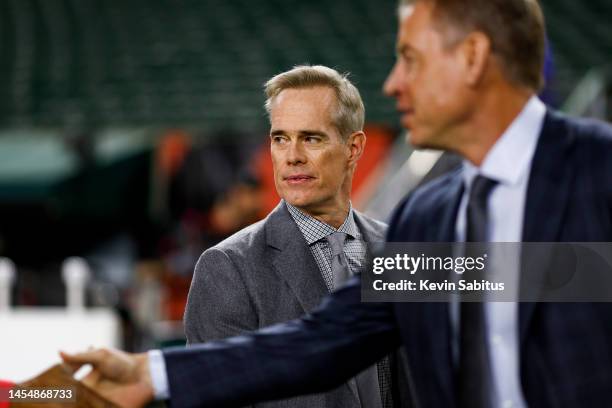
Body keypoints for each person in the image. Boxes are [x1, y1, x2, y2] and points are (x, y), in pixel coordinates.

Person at [61, 0, 612, 407]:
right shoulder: (429, 218)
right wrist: (151, 374)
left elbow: (566, 280)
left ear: (471, 57)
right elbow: (323, 342)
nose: (394, 84)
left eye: (411, 60)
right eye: (280, 138)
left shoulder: (598, 170)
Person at [183, 65, 394, 408]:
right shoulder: (227, 268)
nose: (292, 156)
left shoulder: (399, 250)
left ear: (353, 148)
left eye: (311, 138)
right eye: (280, 138)